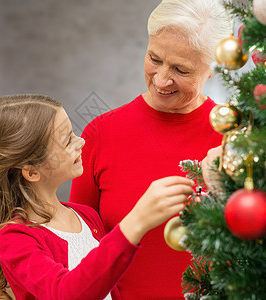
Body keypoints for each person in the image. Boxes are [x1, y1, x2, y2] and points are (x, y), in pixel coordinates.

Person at [69, 0, 232, 298]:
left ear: (212, 69)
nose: (161, 79)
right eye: (154, 58)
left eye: (181, 69)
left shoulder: (234, 139)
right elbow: (79, 248)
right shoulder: (100, 134)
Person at [0, 94, 195, 300]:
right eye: (67, 141)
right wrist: (137, 221)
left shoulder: (86, 216)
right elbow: (66, 293)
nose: (81, 142)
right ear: (32, 172)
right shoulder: (15, 239)